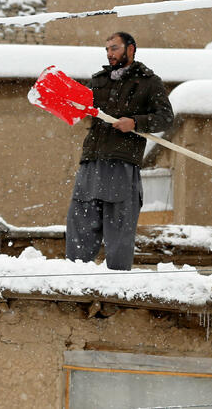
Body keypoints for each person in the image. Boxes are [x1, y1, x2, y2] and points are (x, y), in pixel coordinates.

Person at [66, 32, 173, 270]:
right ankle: (73, 277)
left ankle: (117, 283)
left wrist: (135, 122)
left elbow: (166, 118)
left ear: (131, 49)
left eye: (114, 48)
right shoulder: (98, 80)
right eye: (107, 50)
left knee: (119, 228)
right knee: (80, 225)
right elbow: (78, 105)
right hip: (91, 161)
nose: (109, 54)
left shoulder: (149, 82)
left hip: (122, 163)